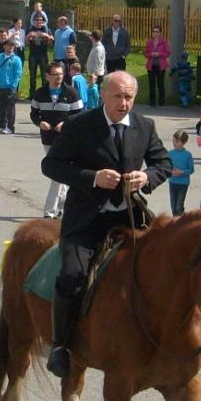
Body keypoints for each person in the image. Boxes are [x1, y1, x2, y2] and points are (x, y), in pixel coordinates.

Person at [42, 71, 171, 377]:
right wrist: (92, 178)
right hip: (88, 218)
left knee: (165, 265)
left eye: (128, 97)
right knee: (72, 274)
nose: (124, 103)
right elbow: (51, 165)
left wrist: (147, 177)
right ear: (103, 95)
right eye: (118, 96)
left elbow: (164, 163)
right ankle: (61, 345)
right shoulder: (80, 125)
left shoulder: (144, 126)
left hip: (129, 217)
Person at [32, 60, 84, 219]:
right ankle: (62, 208)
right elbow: (34, 113)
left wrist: (66, 123)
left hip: (67, 139)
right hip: (48, 139)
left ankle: (49, 212)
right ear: (47, 76)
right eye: (54, 75)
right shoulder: (40, 93)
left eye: (61, 74)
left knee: (56, 175)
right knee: (60, 174)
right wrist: (40, 122)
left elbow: (80, 114)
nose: (58, 78)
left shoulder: (71, 92)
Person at [0, 36, 23, 134]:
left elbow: (18, 74)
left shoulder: (16, 59)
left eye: (12, 46)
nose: (10, 48)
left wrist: (13, 86)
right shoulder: (0, 56)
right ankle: (1, 125)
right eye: (8, 46)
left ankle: (10, 127)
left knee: (10, 108)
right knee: (1, 107)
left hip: (10, 87)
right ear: (4, 46)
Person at [167, 130, 194, 215]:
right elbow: (166, 166)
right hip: (172, 182)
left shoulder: (187, 155)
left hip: (183, 183)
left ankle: (181, 223)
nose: (174, 143)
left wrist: (181, 172)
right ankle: (176, 223)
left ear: (183, 142)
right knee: (173, 206)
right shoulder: (170, 153)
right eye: (173, 141)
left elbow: (191, 169)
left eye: (177, 141)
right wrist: (170, 171)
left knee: (179, 206)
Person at [25, 10, 51, 97]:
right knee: (32, 76)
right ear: (34, 21)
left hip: (43, 55)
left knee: (45, 76)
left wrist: (47, 36)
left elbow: (52, 42)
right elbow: (26, 43)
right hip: (33, 55)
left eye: (41, 20)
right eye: (37, 20)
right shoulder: (30, 29)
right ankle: (32, 95)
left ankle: (45, 95)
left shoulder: (46, 29)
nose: (39, 21)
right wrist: (29, 36)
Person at [144, 25, 170, 107]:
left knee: (160, 84)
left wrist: (159, 54)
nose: (155, 33)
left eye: (157, 31)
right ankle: (152, 101)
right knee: (151, 84)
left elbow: (167, 53)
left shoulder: (164, 42)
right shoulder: (149, 42)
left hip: (160, 66)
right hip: (151, 66)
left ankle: (161, 101)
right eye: (154, 31)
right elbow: (146, 53)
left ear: (160, 33)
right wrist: (151, 54)